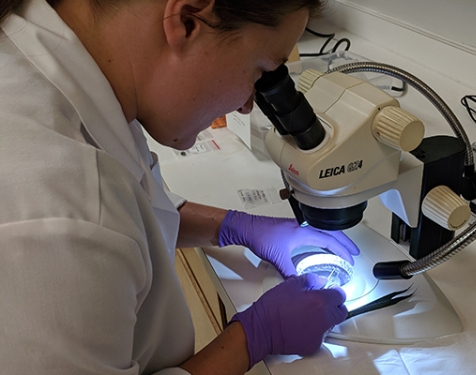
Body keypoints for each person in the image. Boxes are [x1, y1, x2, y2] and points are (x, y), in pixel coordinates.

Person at [0, 1, 360, 374]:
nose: (246, 105)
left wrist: (234, 226)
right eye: (259, 72)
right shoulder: (60, 213)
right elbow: (95, 221)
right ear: (187, 21)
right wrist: (254, 337)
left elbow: (132, 206)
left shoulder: (57, 67)